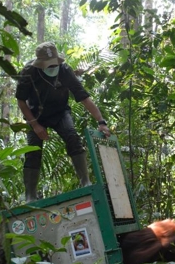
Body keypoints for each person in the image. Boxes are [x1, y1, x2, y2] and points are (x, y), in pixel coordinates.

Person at [15, 41, 111, 202]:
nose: (53, 67)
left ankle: (85, 181)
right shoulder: (28, 73)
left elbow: (84, 98)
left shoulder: (65, 71)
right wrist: (35, 125)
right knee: (33, 150)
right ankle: (30, 195)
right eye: (48, 65)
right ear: (40, 64)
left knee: (72, 136)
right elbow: (21, 101)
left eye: (55, 64)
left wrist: (101, 122)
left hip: (60, 112)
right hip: (35, 115)